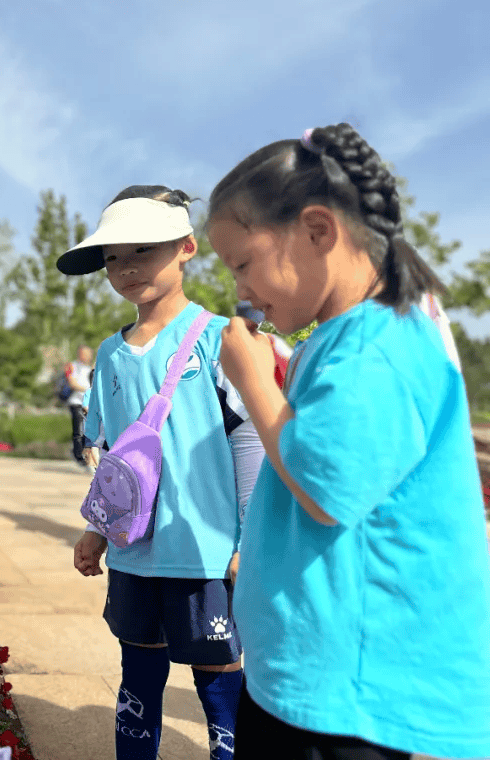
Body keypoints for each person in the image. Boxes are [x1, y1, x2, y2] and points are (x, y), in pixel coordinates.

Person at [206, 123, 490, 760]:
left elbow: (324, 486)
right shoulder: (339, 339)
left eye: (243, 263)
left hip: (346, 697)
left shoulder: (379, 348)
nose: (239, 289)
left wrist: (254, 383)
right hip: (308, 678)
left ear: (317, 231)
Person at [59, 185, 265, 760]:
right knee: (138, 679)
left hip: (206, 552)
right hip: (134, 554)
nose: (126, 269)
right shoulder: (108, 355)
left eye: (142, 251)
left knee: (219, 681)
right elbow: (115, 458)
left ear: (187, 248)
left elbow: (249, 440)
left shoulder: (220, 337)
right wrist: (96, 529)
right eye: (112, 258)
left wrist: (248, 540)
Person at [65, 345, 94, 470]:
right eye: (85, 353)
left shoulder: (92, 368)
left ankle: (84, 456)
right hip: (76, 402)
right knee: (79, 432)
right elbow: (72, 383)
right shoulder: (72, 366)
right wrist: (88, 390)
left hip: (90, 404)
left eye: (89, 354)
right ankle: (79, 458)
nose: (88, 356)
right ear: (79, 353)